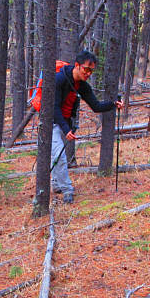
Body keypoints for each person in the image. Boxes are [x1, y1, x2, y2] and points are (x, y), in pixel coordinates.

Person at [50, 50, 124, 203]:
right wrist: (66, 129)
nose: (89, 73)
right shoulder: (60, 79)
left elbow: (95, 106)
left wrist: (112, 104)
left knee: (56, 155)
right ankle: (68, 190)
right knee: (58, 156)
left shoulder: (82, 85)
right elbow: (54, 107)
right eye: (86, 69)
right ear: (77, 66)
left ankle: (56, 184)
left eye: (92, 70)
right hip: (51, 122)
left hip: (64, 123)